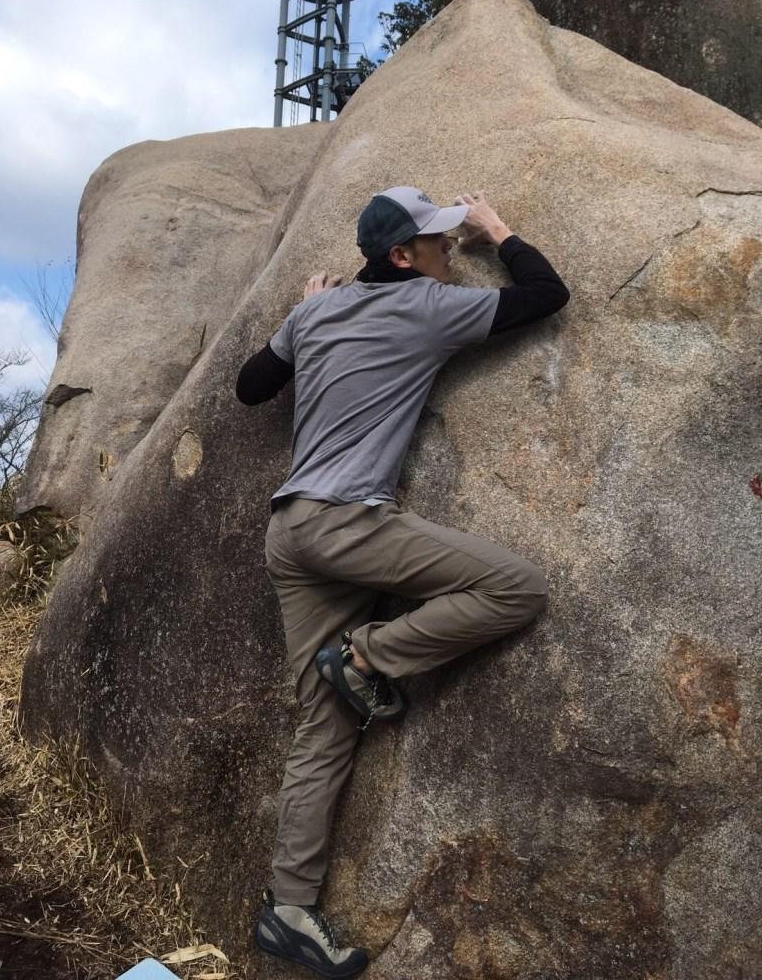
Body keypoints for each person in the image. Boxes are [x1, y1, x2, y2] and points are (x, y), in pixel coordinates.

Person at [235, 187, 570, 978]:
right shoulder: (427, 307)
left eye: (455, 238)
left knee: (324, 727)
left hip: (291, 533)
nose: (451, 249)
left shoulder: (317, 313)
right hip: (349, 525)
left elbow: (251, 386)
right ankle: (366, 658)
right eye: (439, 242)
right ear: (402, 256)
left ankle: (289, 910)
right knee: (517, 588)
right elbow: (546, 295)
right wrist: (500, 232)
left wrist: (301, 318)